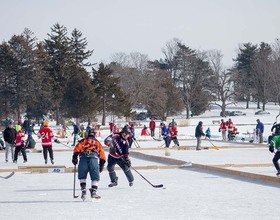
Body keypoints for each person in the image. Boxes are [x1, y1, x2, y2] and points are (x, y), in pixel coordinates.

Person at [72, 128, 106, 200]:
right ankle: (93, 191)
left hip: (83, 159)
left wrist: (74, 158)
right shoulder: (97, 143)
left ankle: (83, 190)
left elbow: (76, 149)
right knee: (95, 176)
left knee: (82, 175)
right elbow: (102, 155)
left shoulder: (83, 141)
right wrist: (101, 164)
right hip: (93, 159)